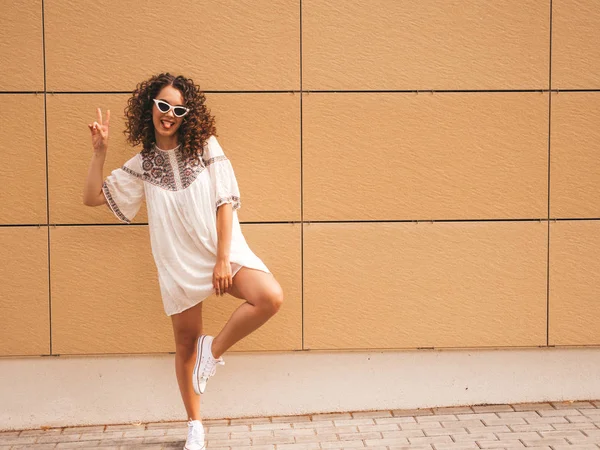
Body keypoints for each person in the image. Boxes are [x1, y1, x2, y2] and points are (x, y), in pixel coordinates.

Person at [83, 72, 284, 450]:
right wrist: (99, 152)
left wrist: (223, 259)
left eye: (178, 108)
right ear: (150, 108)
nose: (169, 114)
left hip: (218, 250)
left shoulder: (205, 146)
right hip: (178, 261)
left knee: (269, 297)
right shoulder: (143, 165)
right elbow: (92, 197)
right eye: (163, 106)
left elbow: (226, 202)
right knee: (185, 343)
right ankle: (195, 425)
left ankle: (215, 350)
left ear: (187, 114)